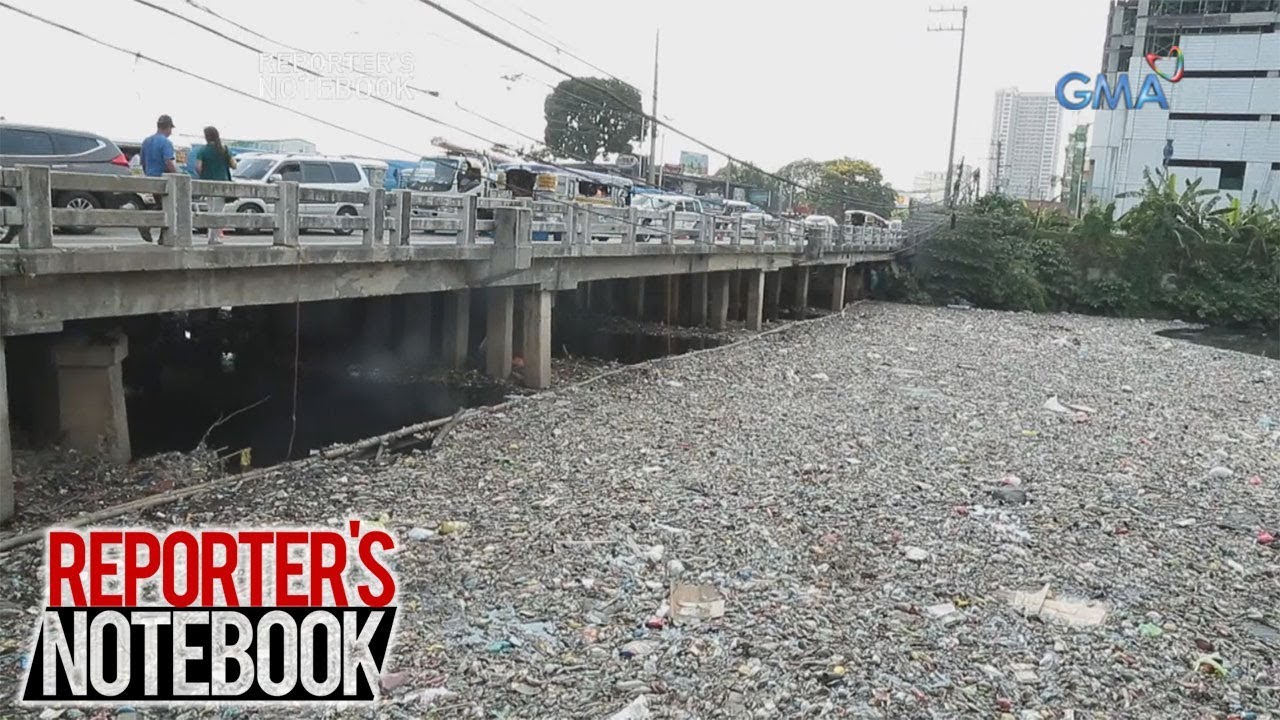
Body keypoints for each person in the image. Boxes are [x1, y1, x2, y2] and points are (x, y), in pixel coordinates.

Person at [195, 126, 237, 242]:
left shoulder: (202, 150)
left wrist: (204, 173)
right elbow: (234, 165)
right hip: (222, 183)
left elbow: (198, 167)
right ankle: (215, 237)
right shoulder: (224, 149)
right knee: (219, 210)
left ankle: (211, 236)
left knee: (210, 209)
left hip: (207, 183)